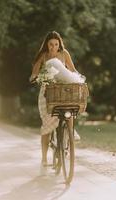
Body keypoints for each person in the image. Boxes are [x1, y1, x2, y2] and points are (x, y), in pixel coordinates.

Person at [29, 31, 80, 170]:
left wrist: (78, 78)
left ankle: (68, 136)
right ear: (47, 44)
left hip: (62, 91)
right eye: (51, 44)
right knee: (46, 126)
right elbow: (34, 73)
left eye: (56, 44)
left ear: (59, 44)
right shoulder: (43, 55)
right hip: (47, 92)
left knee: (70, 113)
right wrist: (36, 77)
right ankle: (44, 157)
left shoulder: (64, 54)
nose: (53, 47)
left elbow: (73, 70)